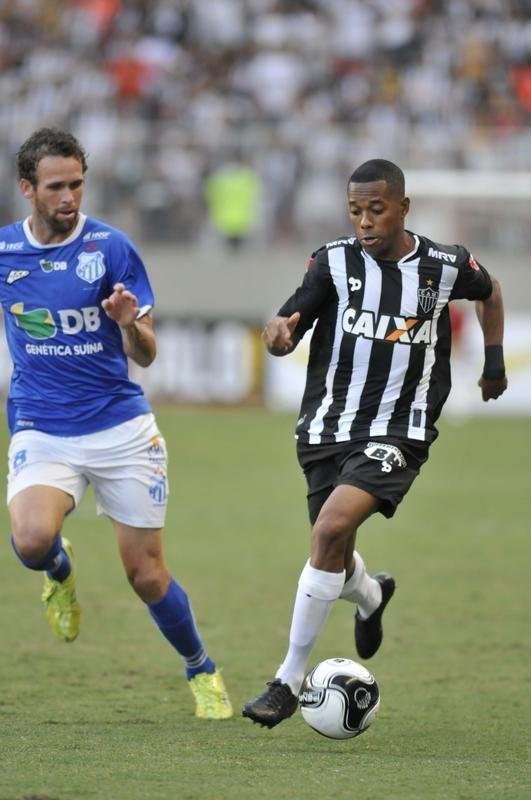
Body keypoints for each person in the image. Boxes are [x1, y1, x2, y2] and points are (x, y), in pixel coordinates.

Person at [242, 158, 507, 728]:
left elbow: (491, 292)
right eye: (356, 210)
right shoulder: (332, 262)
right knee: (330, 556)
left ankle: (287, 680)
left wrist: (493, 362)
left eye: (377, 209)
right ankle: (371, 595)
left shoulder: (444, 265)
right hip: (325, 429)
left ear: (404, 207)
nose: (364, 221)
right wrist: (278, 335)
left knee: (331, 529)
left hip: (399, 428)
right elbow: (287, 325)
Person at [1, 127, 232, 720]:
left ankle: (201, 669)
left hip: (120, 429)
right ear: (27, 188)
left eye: (77, 184)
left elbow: (147, 355)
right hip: (42, 425)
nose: (69, 197)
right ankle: (58, 569)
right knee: (30, 541)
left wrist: (130, 323)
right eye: (56, 186)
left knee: (147, 576)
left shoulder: (111, 249)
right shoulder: (5, 253)